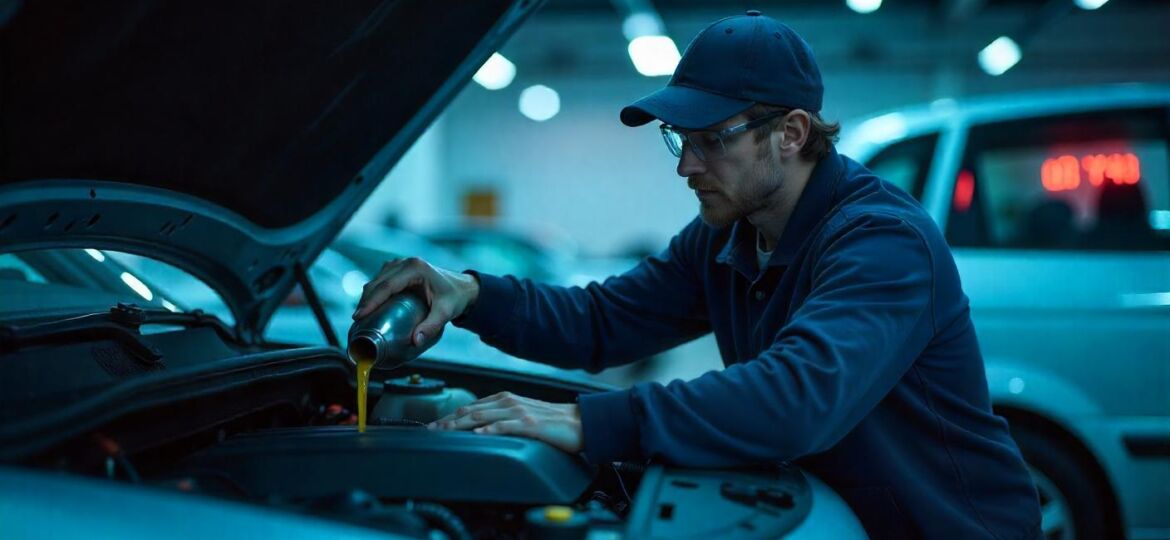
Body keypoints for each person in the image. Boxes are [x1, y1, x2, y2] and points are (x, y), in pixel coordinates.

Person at [353, 11, 1041, 538]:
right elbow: (601, 322)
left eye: (713, 140)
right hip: (832, 514)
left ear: (792, 133)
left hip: (944, 525)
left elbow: (797, 399)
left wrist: (586, 421)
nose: (687, 166)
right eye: (680, 141)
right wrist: (470, 292)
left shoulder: (883, 241)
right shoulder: (726, 238)